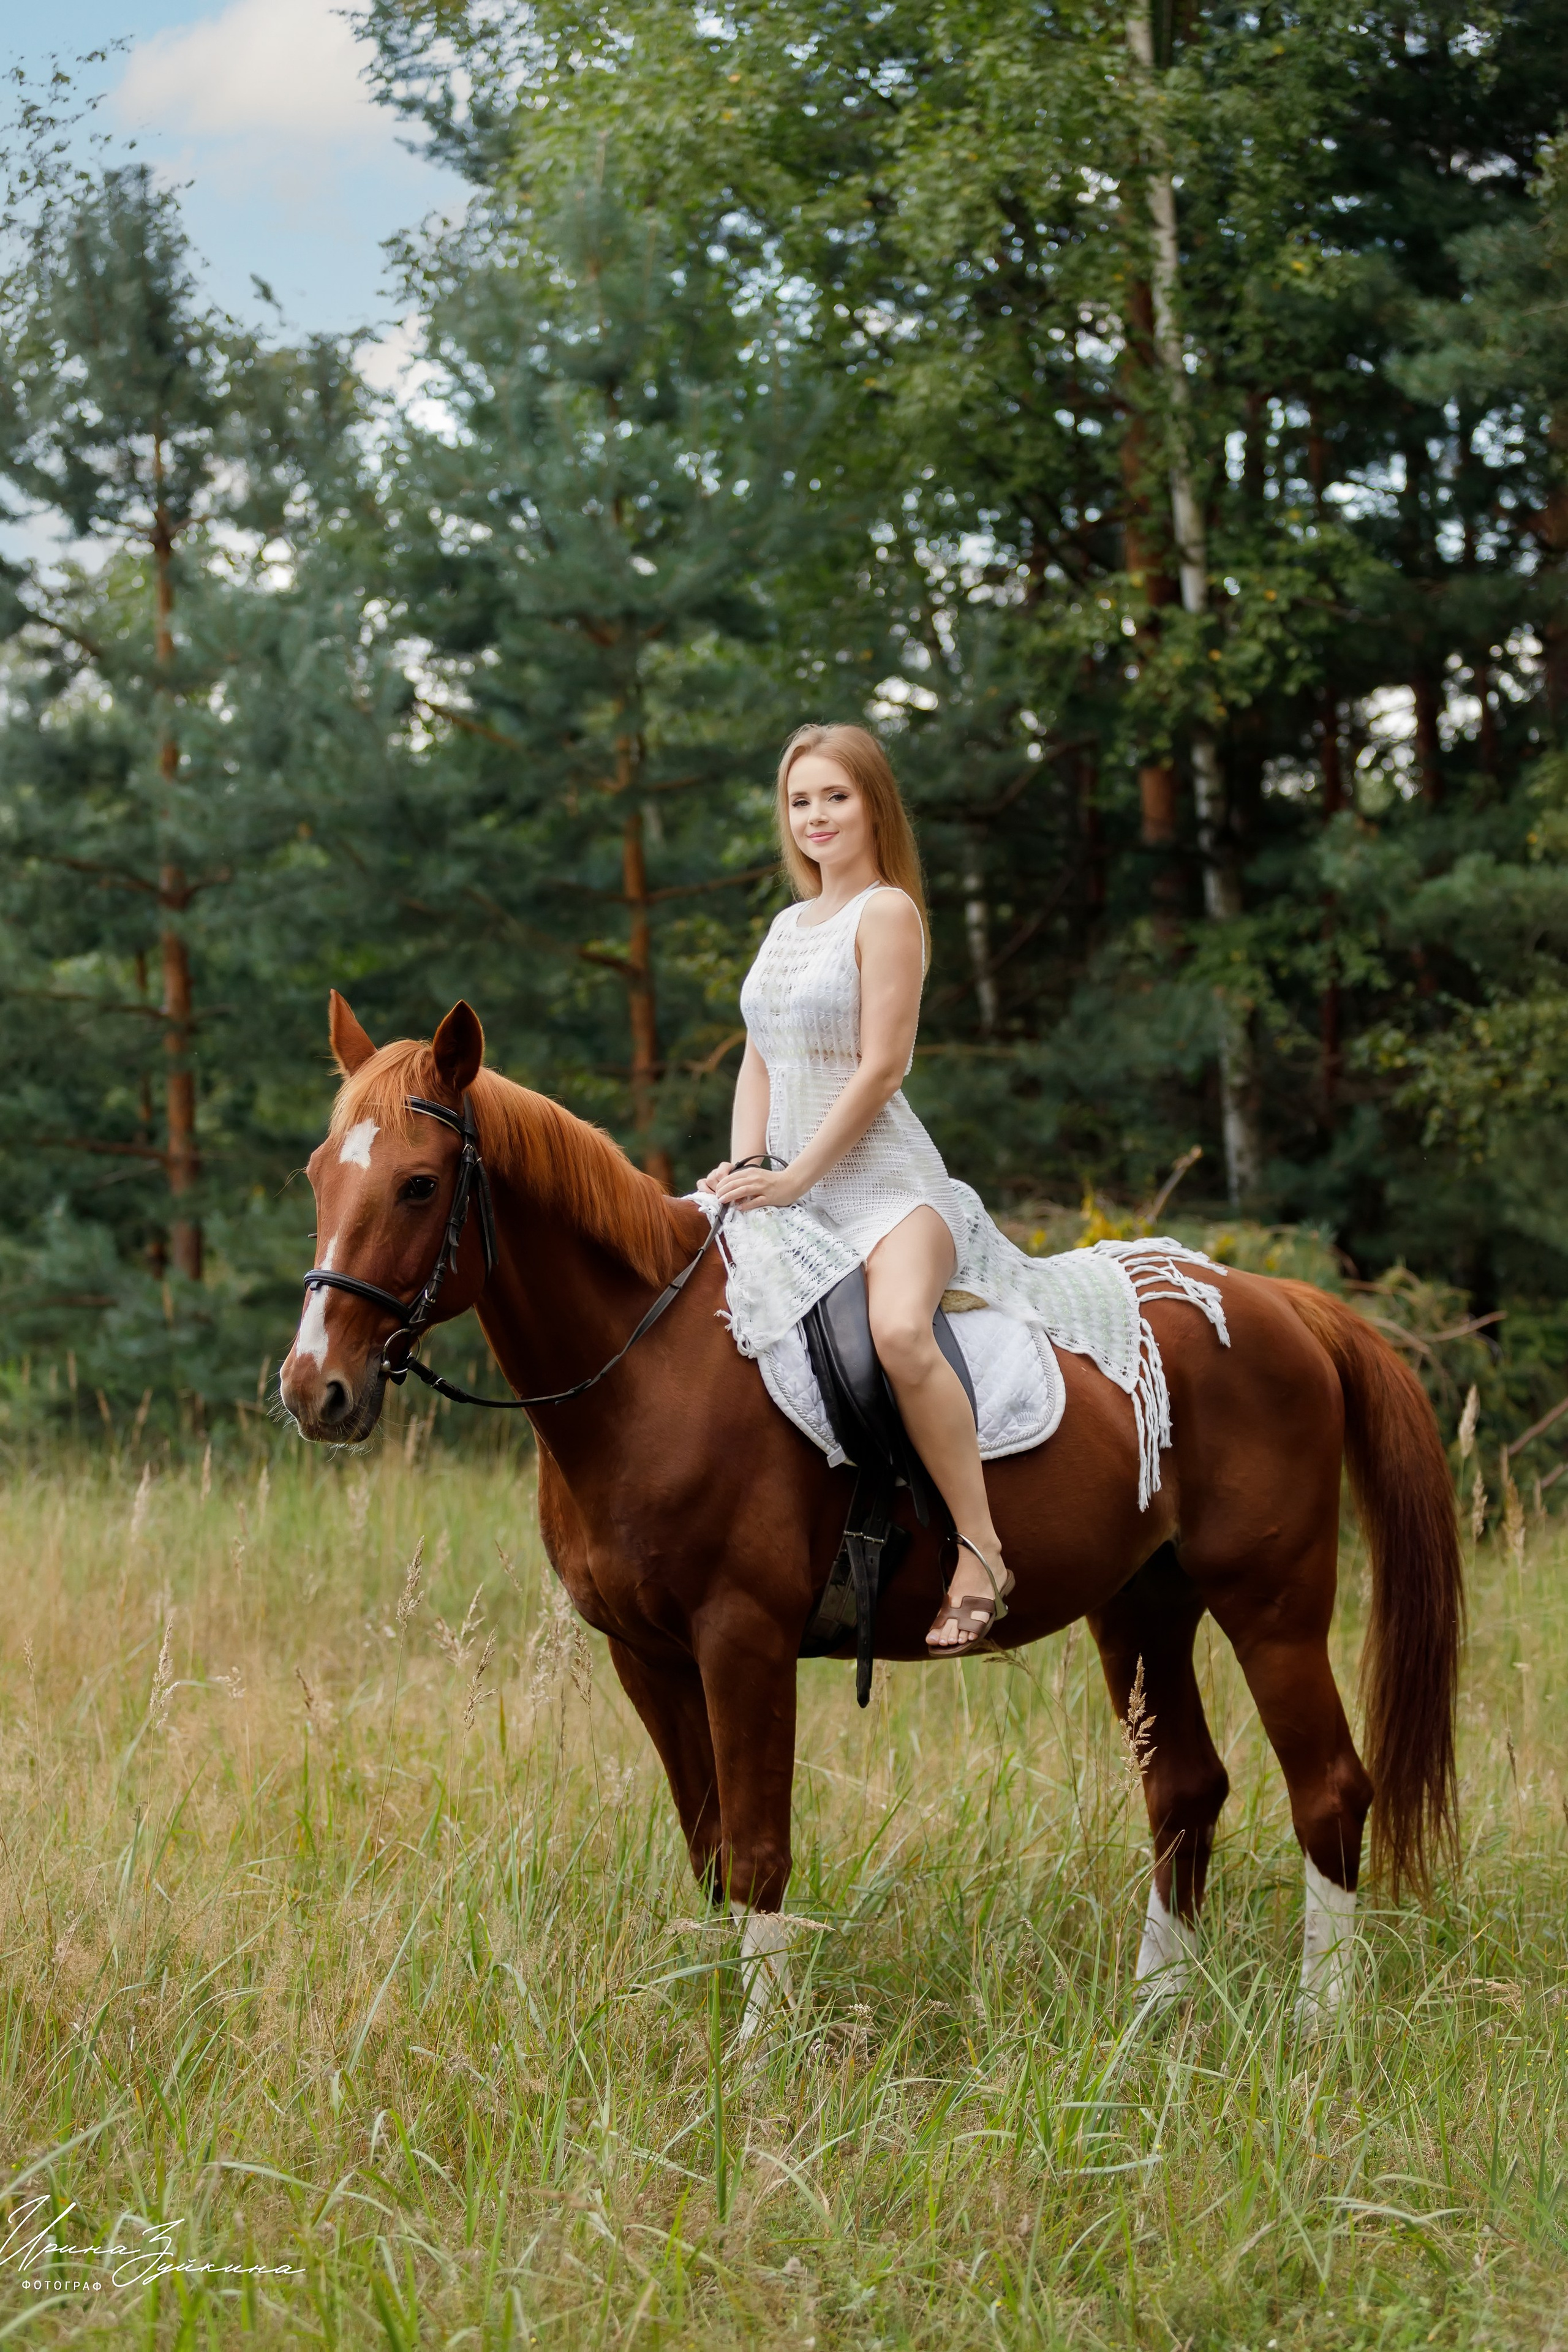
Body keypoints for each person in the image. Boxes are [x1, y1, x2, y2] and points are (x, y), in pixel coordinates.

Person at [699, 722, 1012, 1652]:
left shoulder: (887, 913)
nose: (817, 816)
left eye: (835, 795)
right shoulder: (786, 927)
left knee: (901, 1333)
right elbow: (760, 1056)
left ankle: (983, 1549)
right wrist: (749, 1163)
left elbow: (882, 1068)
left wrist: (795, 1173)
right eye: (801, 801)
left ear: (874, 802)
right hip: (794, 1192)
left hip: (887, 1192)